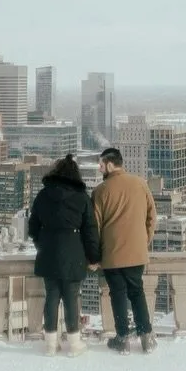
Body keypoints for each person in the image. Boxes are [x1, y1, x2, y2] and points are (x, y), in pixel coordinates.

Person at [27, 154, 100, 356]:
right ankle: (74, 344)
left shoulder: (43, 196)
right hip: (74, 253)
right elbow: (90, 232)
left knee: (51, 297)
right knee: (71, 298)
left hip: (48, 252)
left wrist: (42, 243)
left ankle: (51, 343)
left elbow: (32, 227)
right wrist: (94, 257)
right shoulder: (82, 198)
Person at [91, 145, 157, 353]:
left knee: (118, 294)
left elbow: (95, 226)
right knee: (137, 292)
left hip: (112, 253)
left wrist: (95, 255)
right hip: (137, 252)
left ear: (110, 164)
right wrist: (144, 240)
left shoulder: (100, 191)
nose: (100, 169)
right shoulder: (140, 183)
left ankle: (123, 338)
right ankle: (146, 336)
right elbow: (152, 216)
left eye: (101, 165)